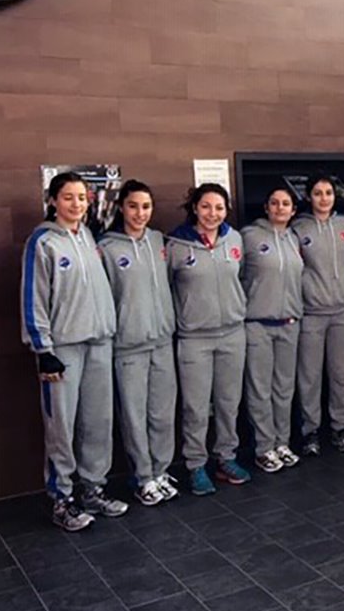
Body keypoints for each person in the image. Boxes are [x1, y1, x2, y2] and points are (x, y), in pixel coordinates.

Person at [21, 171, 126, 530]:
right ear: (53, 200)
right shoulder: (42, 241)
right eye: (68, 197)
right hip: (62, 349)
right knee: (61, 427)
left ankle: (93, 489)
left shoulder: (88, 237)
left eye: (82, 197)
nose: (76, 204)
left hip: (99, 343)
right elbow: (33, 297)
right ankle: (61, 499)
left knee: (98, 422)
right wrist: (43, 348)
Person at [99, 179, 179, 507]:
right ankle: (143, 477)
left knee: (162, 413)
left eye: (146, 207)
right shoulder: (107, 248)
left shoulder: (159, 241)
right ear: (122, 208)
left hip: (162, 341)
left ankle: (160, 471)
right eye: (133, 206)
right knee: (134, 416)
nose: (140, 213)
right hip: (128, 345)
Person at [167, 183, 251, 495]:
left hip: (232, 333)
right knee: (196, 407)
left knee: (229, 403)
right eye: (206, 206)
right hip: (194, 338)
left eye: (219, 207)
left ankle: (226, 457)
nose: (212, 213)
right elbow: (166, 287)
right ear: (194, 208)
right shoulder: (176, 244)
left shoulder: (235, 239)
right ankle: (195, 465)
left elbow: (242, 277)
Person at [241, 187, 304, 473]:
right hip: (259, 324)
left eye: (286, 204)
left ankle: (282, 442)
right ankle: (264, 447)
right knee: (260, 390)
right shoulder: (249, 236)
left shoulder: (293, 238)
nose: (280, 208)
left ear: (293, 210)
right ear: (266, 207)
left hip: (289, 324)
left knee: (284, 388)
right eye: (275, 203)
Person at [292, 174, 344, 454]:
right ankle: (311, 431)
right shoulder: (298, 228)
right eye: (318, 193)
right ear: (309, 196)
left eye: (328, 192)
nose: (324, 198)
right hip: (312, 313)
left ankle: (340, 428)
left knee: (342, 374)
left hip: (342, 311)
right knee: (310, 375)